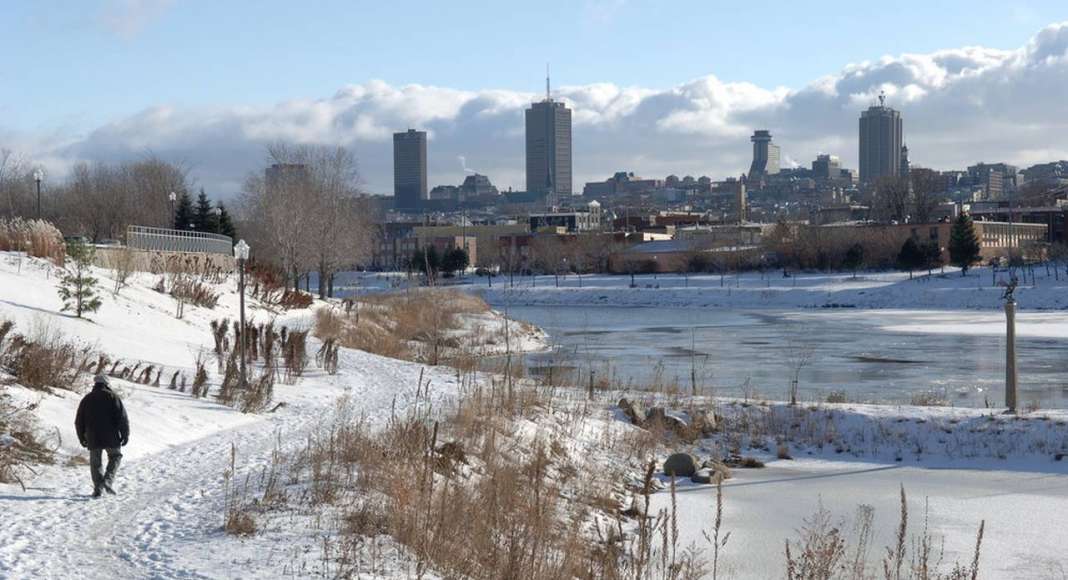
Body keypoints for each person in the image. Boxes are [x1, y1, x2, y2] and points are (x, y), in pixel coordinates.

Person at [74, 375, 129, 497]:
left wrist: (81, 437)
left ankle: (98, 488)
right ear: (107, 384)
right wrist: (125, 435)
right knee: (115, 456)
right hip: (111, 436)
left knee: (96, 463)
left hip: (93, 436)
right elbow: (122, 418)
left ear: (95, 384)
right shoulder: (113, 397)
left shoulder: (86, 399)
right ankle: (107, 481)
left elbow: (79, 421)